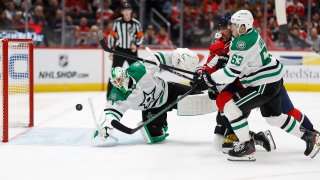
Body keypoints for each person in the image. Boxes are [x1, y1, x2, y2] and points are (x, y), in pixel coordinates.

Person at [195, 10, 320, 161]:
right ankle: (309, 136)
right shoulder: (250, 33)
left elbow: (230, 73)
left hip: (263, 83)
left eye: (234, 25)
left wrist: (210, 78)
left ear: (243, 26)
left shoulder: (241, 42)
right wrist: (211, 69)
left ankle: (247, 145)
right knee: (274, 118)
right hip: (271, 79)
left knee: (228, 105)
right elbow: (226, 60)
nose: (230, 28)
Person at [93, 48, 199, 144]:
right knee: (154, 136)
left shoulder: (138, 69)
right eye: (115, 83)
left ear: (125, 75)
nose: (119, 84)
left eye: (119, 80)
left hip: (168, 92)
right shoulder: (117, 95)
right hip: (152, 109)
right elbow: (111, 111)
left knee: (199, 94)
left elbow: (158, 58)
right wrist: (105, 125)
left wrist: (176, 57)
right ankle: (161, 123)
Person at [107, 2, 144, 97]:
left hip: (131, 51)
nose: (126, 12)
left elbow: (140, 36)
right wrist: (111, 49)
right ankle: (110, 95)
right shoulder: (117, 22)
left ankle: (140, 94)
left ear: (131, 11)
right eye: (124, 10)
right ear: (122, 12)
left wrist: (136, 45)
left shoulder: (136, 24)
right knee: (114, 73)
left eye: (128, 10)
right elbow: (112, 36)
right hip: (119, 50)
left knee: (137, 71)